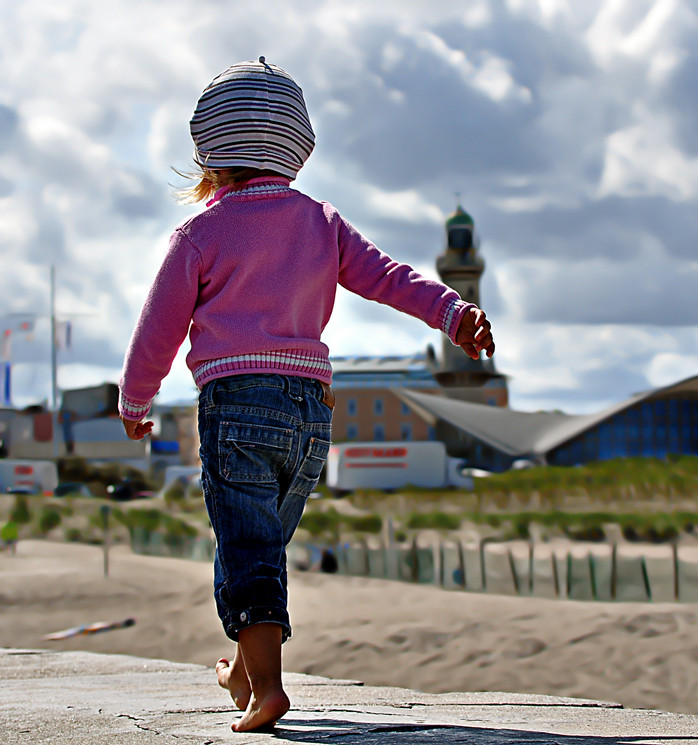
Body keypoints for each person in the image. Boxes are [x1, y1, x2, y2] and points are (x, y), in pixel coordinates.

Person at [118, 58, 495, 733]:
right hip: (311, 415)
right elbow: (386, 274)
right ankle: (241, 670)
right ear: (297, 145)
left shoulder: (200, 234)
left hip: (237, 406)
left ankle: (267, 688)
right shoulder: (321, 221)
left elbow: (158, 328)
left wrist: (134, 404)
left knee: (247, 545)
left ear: (209, 151)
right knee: (261, 541)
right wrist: (449, 312)